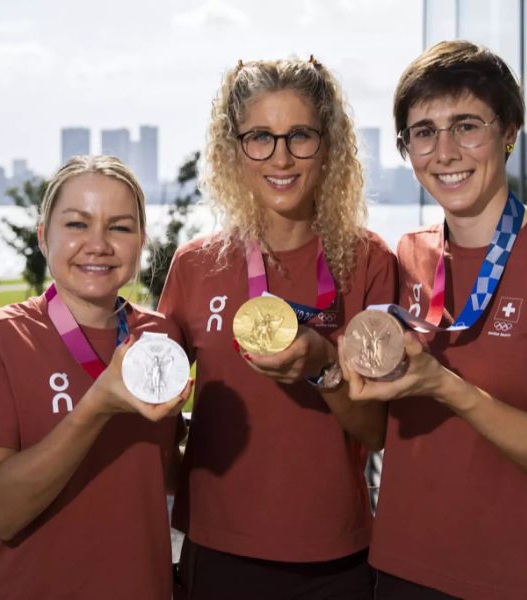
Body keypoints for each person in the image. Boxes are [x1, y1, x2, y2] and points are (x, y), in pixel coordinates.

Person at [337, 41, 527, 600]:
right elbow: (378, 429)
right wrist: (329, 367)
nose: (445, 151)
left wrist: (448, 388)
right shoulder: (404, 256)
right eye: (424, 132)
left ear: (509, 132)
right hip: (407, 572)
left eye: (466, 126)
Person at [158, 56, 396, 599]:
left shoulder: (369, 261)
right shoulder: (196, 265)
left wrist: (326, 366)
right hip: (217, 549)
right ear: (232, 149)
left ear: (329, 144)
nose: (281, 157)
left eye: (300, 136)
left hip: (335, 554)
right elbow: (157, 404)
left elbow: (378, 430)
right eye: (260, 137)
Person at [0, 155, 192, 599]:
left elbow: (165, 473)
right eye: (77, 224)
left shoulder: (160, 338)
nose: (98, 244)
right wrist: (97, 405)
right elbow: (1, 511)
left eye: (119, 227)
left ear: (141, 243)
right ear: (43, 236)